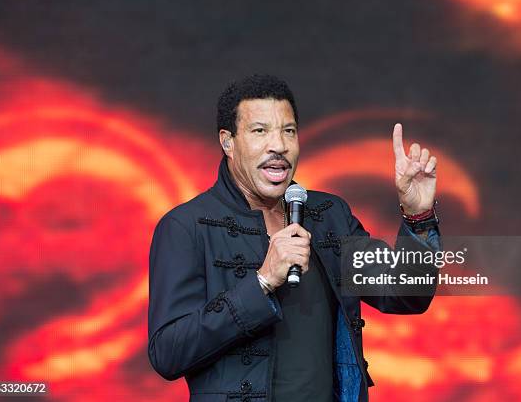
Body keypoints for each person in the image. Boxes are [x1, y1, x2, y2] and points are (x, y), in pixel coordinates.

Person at [147, 74, 441, 402]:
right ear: (227, 142)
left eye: (289, 131)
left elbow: (405, 294)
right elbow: (168, 352)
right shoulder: (187, 226)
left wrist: (418, 217)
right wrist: (260, 284)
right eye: (260, 131)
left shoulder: (330, 215)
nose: (279, 146)